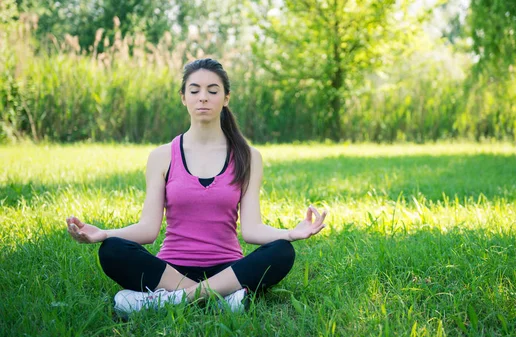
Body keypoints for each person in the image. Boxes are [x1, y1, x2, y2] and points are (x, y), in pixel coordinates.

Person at [65, 58, 328, 315]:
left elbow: (251, 230)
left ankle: (167, 301)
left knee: (282, 252)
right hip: (171, 270)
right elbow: (147, 230)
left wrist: (292, 233)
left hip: (228, 271)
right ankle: (222, 300)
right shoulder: (162, 156)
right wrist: (104, 234)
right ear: (183, 97)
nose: (203, 97)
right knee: (112, 250)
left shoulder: (248, 156)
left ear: (226, 98)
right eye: (195, 90)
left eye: (213, 91)